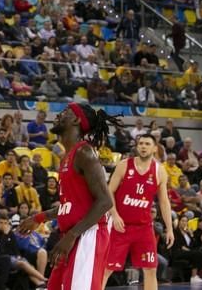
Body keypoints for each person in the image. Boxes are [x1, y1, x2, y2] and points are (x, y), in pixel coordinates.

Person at [19, 102, 118, 290]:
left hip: (88, 234)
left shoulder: (84, 152)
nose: (58, 115)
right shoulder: (68, 156)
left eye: (65, 112)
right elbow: (71, 206)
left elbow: (105, 201)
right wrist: (39, 218)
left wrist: (72, 235)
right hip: (73, 233)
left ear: (76, 119)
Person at [103, 134, 174, 289]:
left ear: (155, 148)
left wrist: (169, 229)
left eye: (147, 144)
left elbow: (164, 202)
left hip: (144, 228)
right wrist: (114, 215)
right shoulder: (124, 165)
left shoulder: (159, 171)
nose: (143, 146)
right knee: (107, 268)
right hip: (120, 226)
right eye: (140, 143)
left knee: (150, 269)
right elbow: (109, 192)